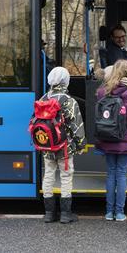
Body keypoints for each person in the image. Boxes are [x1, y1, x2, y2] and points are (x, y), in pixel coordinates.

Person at [96, 60, 127, 221]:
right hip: (125, 138)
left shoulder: (103, 91)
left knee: (111, 173)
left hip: (106, 137)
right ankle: (119, 213)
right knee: (121, 173)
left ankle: (108, 212)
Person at [41, 67, 86, 224]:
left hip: (47, 147)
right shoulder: (68, 101)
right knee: (66, 177)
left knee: (48, 175)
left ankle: (49, 213)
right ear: (66, 81)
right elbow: (76, 126)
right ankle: (66, 214)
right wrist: (81, 145)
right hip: (65, 148)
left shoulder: (43, 98)